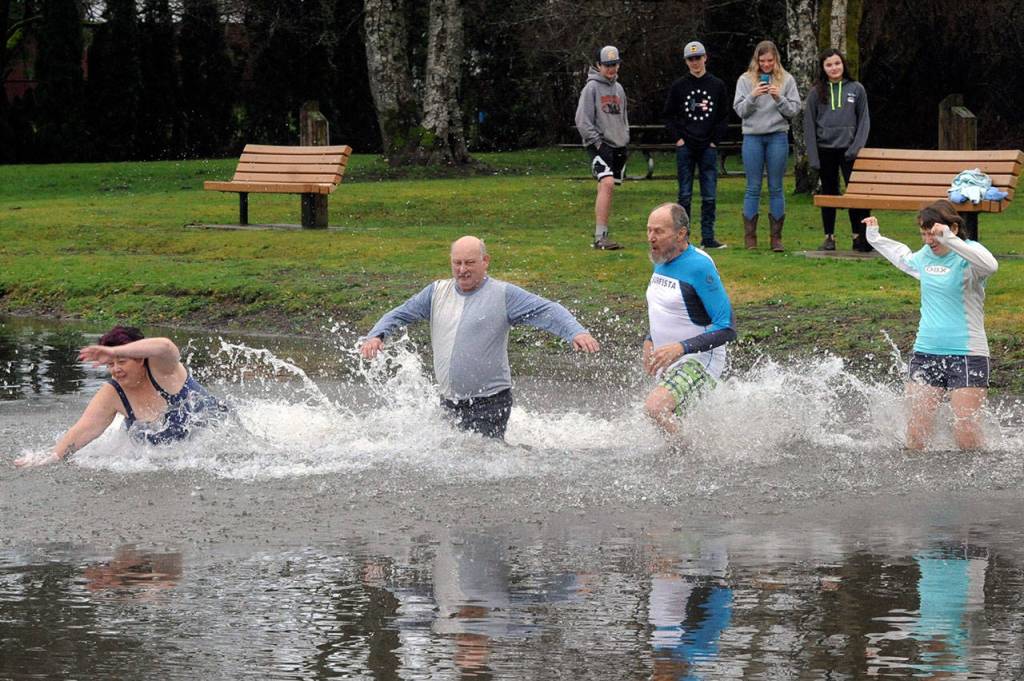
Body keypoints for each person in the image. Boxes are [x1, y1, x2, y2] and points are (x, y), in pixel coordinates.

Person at [359, 235, 600, 439]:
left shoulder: (504, 294)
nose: (462, 270)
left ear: (485, 262)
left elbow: (548, 309)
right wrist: (376, 336)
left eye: (470, 263)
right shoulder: (435, 292)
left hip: (491, 402)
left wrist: (575, 331)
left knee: (482, 464)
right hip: (449, 402)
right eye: (457, 263)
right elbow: (400, 313)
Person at [864, 199, 998, 450]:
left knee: (966, 435)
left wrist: (949, 239)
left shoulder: (969, 256)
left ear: (953, 229)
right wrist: (875, 237)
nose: (929, 240)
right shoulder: (925, 257)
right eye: (925, 234)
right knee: (916, 436)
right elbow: (902, 258)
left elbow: (991, 265)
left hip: (968, 354)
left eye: (933, 233)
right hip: (926, 352)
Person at [14, 326, 225, 467]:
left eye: (122, 361)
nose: (115, 370)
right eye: (110, 364)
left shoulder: (163, 370)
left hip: (222, 436)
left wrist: (115, 351)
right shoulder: (112, 393)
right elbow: (83, 430)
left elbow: (166, 346)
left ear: (141, 358)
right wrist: (48, 459)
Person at [642, 203, 736, 433]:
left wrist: (681, 348)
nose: (651, 238)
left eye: (659, 232)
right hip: (671, 359)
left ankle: (690, 456)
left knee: (655, 408)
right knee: (667, 420)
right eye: (649, 230)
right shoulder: (663, 259)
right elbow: (665, 307)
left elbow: (728, 328)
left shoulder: (699, 266)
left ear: (681, 233)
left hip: (700, 359)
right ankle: (687, 460)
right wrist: (649, 338)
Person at [733, 40, 801, 252]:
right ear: (756, 60)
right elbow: (740, 111)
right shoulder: (745, 80)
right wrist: (754, 96)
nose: (766, 65)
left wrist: (777, 97)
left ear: (776, 59)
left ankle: (776, 238)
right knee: (753, 187)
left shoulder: (787, 79)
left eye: (770, 60)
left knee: (776, 187)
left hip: (777, 136)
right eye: (762, 61)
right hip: (753, 137)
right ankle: (750, 238)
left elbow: (794, 110)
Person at [661, 40, 731, 250]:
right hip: (686, 146)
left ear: (705, 58)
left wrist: (713, 141)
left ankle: (708, 237)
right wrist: (679, 139)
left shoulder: (717, 85)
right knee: (685, 195)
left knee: (709, 194)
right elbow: (668, 115)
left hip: (707, 146)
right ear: (686, 61)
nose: (695, 62)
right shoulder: (679, 86)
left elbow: (723, 115)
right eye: (691, 59)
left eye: (698, 58)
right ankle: (683, 238)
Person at [804, 48, 872, 252]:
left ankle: (860, 236)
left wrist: (856, 147)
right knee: (829, 193)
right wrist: (813, 157)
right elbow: (808, 125)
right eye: (829, 65)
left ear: (843, 65)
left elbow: (864, 121)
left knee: (856, 195)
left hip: (851, 151)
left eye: (837, 63)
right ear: (823, 68)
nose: (834, 68)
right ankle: (829, 237)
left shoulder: (856, 89)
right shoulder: (816, 92)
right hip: (826, 150)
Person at [575, 45, 629, 250]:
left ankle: (603, 233)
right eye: (607, 65)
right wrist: (598, 143)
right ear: (598, 65)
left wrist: (624, 140)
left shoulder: (619, 89)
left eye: (614, 64)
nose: (611, 69)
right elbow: (582, 120)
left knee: (608, 188)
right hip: (598, 145)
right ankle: (600, 237)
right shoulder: (591, 88)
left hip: (617, 145)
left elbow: (622, 118)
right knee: (606, 183)